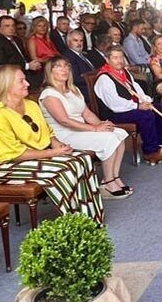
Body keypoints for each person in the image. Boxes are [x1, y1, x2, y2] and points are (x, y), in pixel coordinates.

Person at [0, 65, 104, 222]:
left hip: (34, 156)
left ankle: (92, 217)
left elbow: (47, 131)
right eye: (21, 81)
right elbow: (13, 154)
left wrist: (56, 144)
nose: (28, 84)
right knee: (63, 170)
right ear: (6, 85)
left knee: (82, 159)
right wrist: (52, 153)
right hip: (5, 165)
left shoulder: (30, 105)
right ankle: (75, 222)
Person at [38, 57, 131, 200]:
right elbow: (64, 121)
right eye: (58, 67)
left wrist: (101, 125)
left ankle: (114, 177)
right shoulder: (49, 94)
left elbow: (86, 113)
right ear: (50, 71)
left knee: (118, 132)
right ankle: (108, 183)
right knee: (109, 138)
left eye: (66, 66)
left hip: (81, 129)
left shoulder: (73, 89)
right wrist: (94, 129)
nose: (64, 69)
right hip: (65, 135)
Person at [93, 46, 162, 165]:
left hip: (129, 107)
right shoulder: (104, 78)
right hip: (114, 114)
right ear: (107, 59)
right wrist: (138, 106)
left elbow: (136, 88)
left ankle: (161, 144)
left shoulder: (123, 72)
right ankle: (150, 151)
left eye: (121, 57)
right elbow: (114, 103)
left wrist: (146, 101)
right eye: (115, 58)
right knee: (146, 115)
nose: (119, 60)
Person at [63, 30, 96, 100]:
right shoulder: (68, 57)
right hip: (84, 92)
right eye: (75, 40)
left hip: (93, 88)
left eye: (81, 41)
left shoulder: (83, 55)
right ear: (68, 42)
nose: (79, 43)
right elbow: (75, 79)